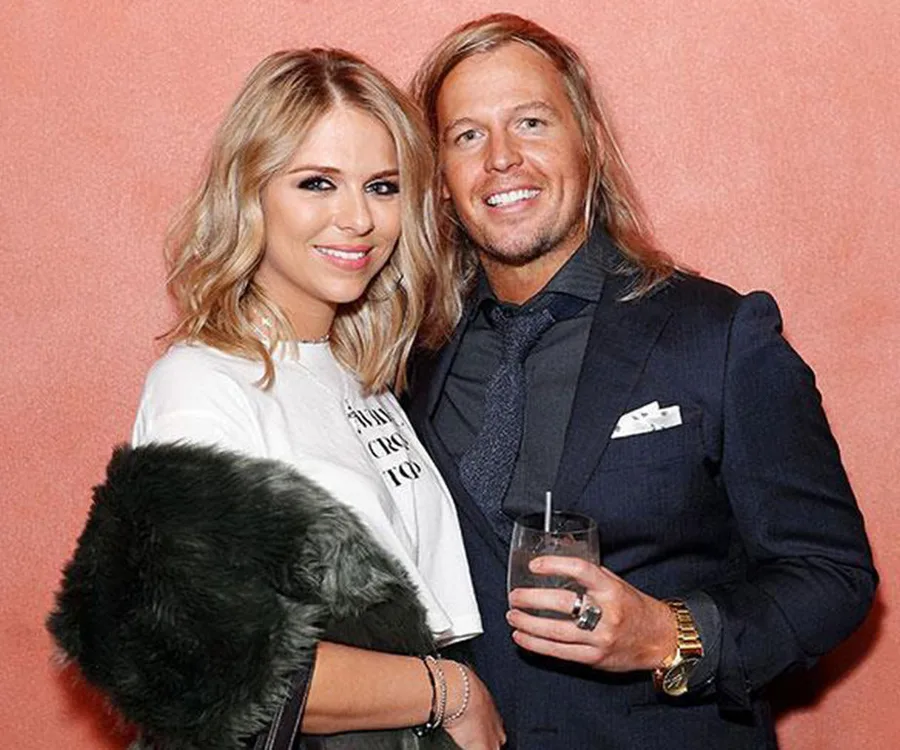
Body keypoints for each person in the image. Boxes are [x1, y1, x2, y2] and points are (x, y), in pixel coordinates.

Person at [405, 13, 878, 749]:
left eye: (530, 122)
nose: (501, 158)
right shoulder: (410, 354)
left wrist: (668, 634)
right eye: (467, 135)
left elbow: (831, 575)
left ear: (588, 142)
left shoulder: (719, 334)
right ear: (440, 177)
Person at [47, 49, 505, 750]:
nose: (358, 218)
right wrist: (452, 693)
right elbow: (212, 666)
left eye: (382, 187)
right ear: (250, 191)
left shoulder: (355, 374)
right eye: (317, 183)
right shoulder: (205, 383)